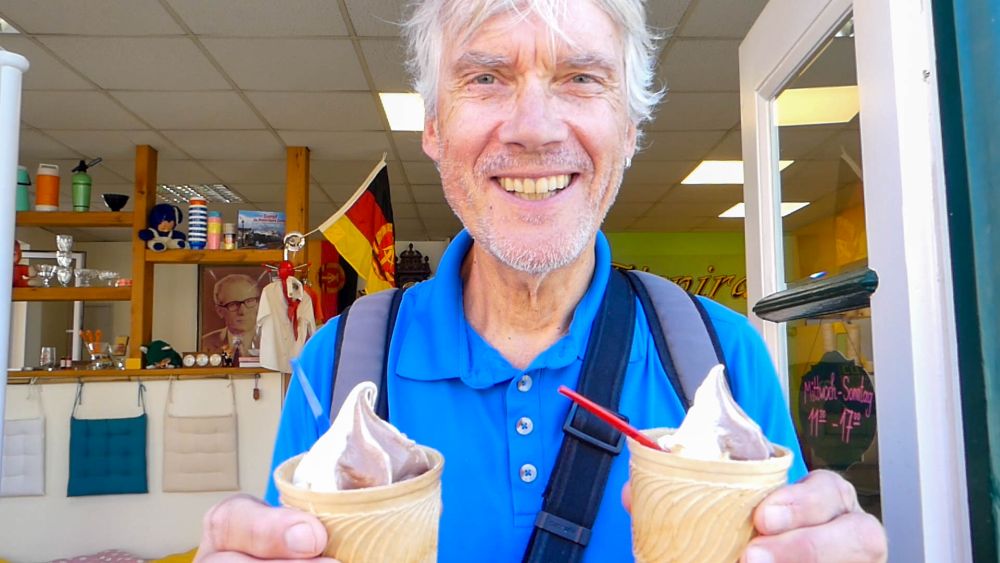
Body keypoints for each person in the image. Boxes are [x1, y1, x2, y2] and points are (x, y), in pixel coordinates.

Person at [196, 1, 887, 561]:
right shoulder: (337, 363)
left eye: (582, 78)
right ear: (433, 126)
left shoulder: (722, 354)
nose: (534, 128)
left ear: (632, 126)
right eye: (487, 77)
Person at [201, 273, 260, 355]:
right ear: (219, 311)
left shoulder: (274, 340)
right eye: (233, 304)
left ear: (258, 305)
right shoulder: (205, 343)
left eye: (249, 301)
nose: (242, 311)